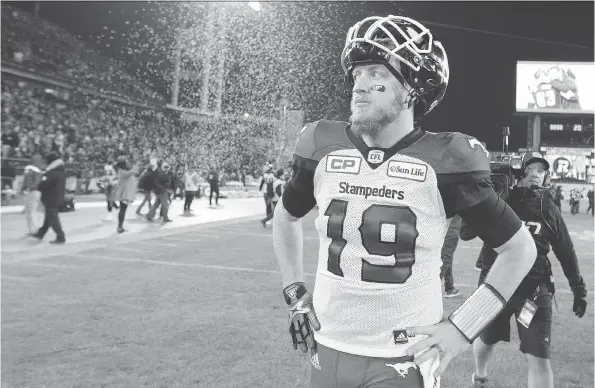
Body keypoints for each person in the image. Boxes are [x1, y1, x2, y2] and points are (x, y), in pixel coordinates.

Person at [272, 15, 536, 388]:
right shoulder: (321, 146)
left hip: (404, 360)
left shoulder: (447, 160)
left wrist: (463, 329)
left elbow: (520, 250)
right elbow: (285, 217)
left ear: (413, 88)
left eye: (376, 72)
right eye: (357, 73)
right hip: (327, 347)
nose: (359, 85)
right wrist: (294, 292)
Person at [471, 152, 587, 388]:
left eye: (541, 170)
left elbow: (566, 250)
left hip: (534, 290)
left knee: (539, 357)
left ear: (547, 176)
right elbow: (466, 232)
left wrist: (578, 288)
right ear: (519, 171)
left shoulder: (549, 208)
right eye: (531, 168)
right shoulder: (499, 199)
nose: (536, 174)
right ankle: (480, 376)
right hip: (496, 287)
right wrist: (485, 193)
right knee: (486, 340)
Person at [32, 152, 66, 244]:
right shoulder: (60, 170)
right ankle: (41, 232)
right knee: (49, 217)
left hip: (50, 197)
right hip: (56, 197)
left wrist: (39, 186)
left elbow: (44, 184)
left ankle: (60, 236)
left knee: (53, 218)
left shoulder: (51, 172)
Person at [112, 155, 141, 233]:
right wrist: (137, 164)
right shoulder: (123, 172)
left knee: (123, 209)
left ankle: (120, 226)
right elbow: (132, 171)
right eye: (126, 162)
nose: (128, 163)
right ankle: (120, 227)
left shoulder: (122, 170)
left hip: (125, 193)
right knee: (123, 210)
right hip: (124, 194)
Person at [21, 154, 44, 235]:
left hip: (32, 191)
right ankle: (33, 229)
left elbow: (27, 180)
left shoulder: (30, 168)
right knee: (32, 211)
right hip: (36, 191)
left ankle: (33, 229)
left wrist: (25, 188)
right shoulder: (39, 169)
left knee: (30, 211)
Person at [440, 214, 462, 297]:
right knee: (445, 259)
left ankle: (449, 287)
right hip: (450, 230)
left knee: (446, 257)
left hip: (440, 229)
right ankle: (432, 289)